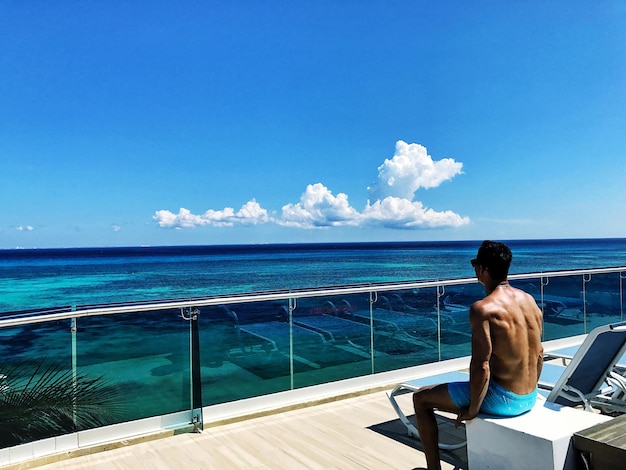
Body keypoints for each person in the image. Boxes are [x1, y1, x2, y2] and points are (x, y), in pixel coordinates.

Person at [412, 240, 544, 470]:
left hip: (503, 401)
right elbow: (540, 354)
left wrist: (472, 409)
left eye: (475, 265)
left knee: (421, 398)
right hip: (530, 396)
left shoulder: (483, 308)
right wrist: (530, 389)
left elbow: (481, 365)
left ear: (481, 269)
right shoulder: (529, 301)